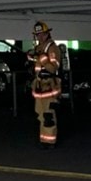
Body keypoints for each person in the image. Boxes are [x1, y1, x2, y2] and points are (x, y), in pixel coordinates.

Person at [28, 20, 62, 149]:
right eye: (37, 35)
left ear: (47, 34)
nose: (39, 37)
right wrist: (31, 57)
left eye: (42, 34)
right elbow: (35, 63)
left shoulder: (53, 48)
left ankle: (50, 142)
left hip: (50, 87)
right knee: (40, 114)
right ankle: (44, 140)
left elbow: (53, 68)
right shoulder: (38, 48)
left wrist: (42, 58)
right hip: (39, 86)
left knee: (49, 116)